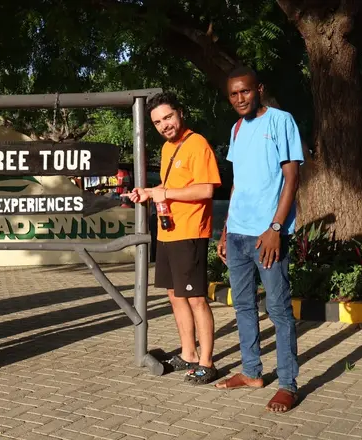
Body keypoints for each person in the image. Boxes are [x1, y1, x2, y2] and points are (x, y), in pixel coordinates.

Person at [215, 66, 304, 413]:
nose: (240, 98)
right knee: (243, 306)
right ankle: (252, 372)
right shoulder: (237, 128)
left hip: (267, 235)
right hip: (238, 233)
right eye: (234, 94)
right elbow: (237, 183)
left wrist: (276, 228)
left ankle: (288, 384)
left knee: (278, 310)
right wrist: (226, 230)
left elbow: (292, 179)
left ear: (259, 89)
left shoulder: (281, 121)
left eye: (246, 91)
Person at [128, 92, 222, 384]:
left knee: (195, 298)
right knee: (175, 295)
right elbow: (171, 187)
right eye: (157, 122)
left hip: (190, 232)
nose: (164, 125)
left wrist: (165, 193)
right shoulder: (169, 148)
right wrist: (149, 192)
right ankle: (189, 354)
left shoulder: (197, 144)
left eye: (168, 117)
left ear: (180, 112)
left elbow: (206, 189)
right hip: (168, 232)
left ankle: (207, 362)